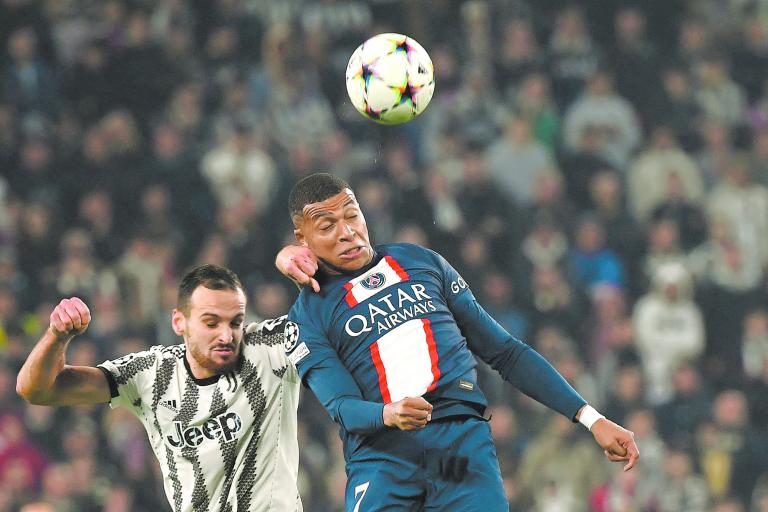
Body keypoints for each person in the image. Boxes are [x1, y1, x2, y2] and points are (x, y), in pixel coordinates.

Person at [276, 172, 640, 511]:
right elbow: (341, 406)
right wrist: (389, 413)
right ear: (302, 239)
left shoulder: (421, 261)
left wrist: (591, 418)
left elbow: (506, 353)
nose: (347, 232)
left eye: (352, 216)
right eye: (327, 226)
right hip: (382, 458)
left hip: (461, 444)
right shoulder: (306, 316)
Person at [16, 263, 303, 512]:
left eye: (235, 322)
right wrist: (57, 336)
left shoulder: (268, 348)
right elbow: (37, 390)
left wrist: (298, 266)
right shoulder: (152, 373)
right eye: (211, 323)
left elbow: (334, 312)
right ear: (180, 322)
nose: (226, 335)